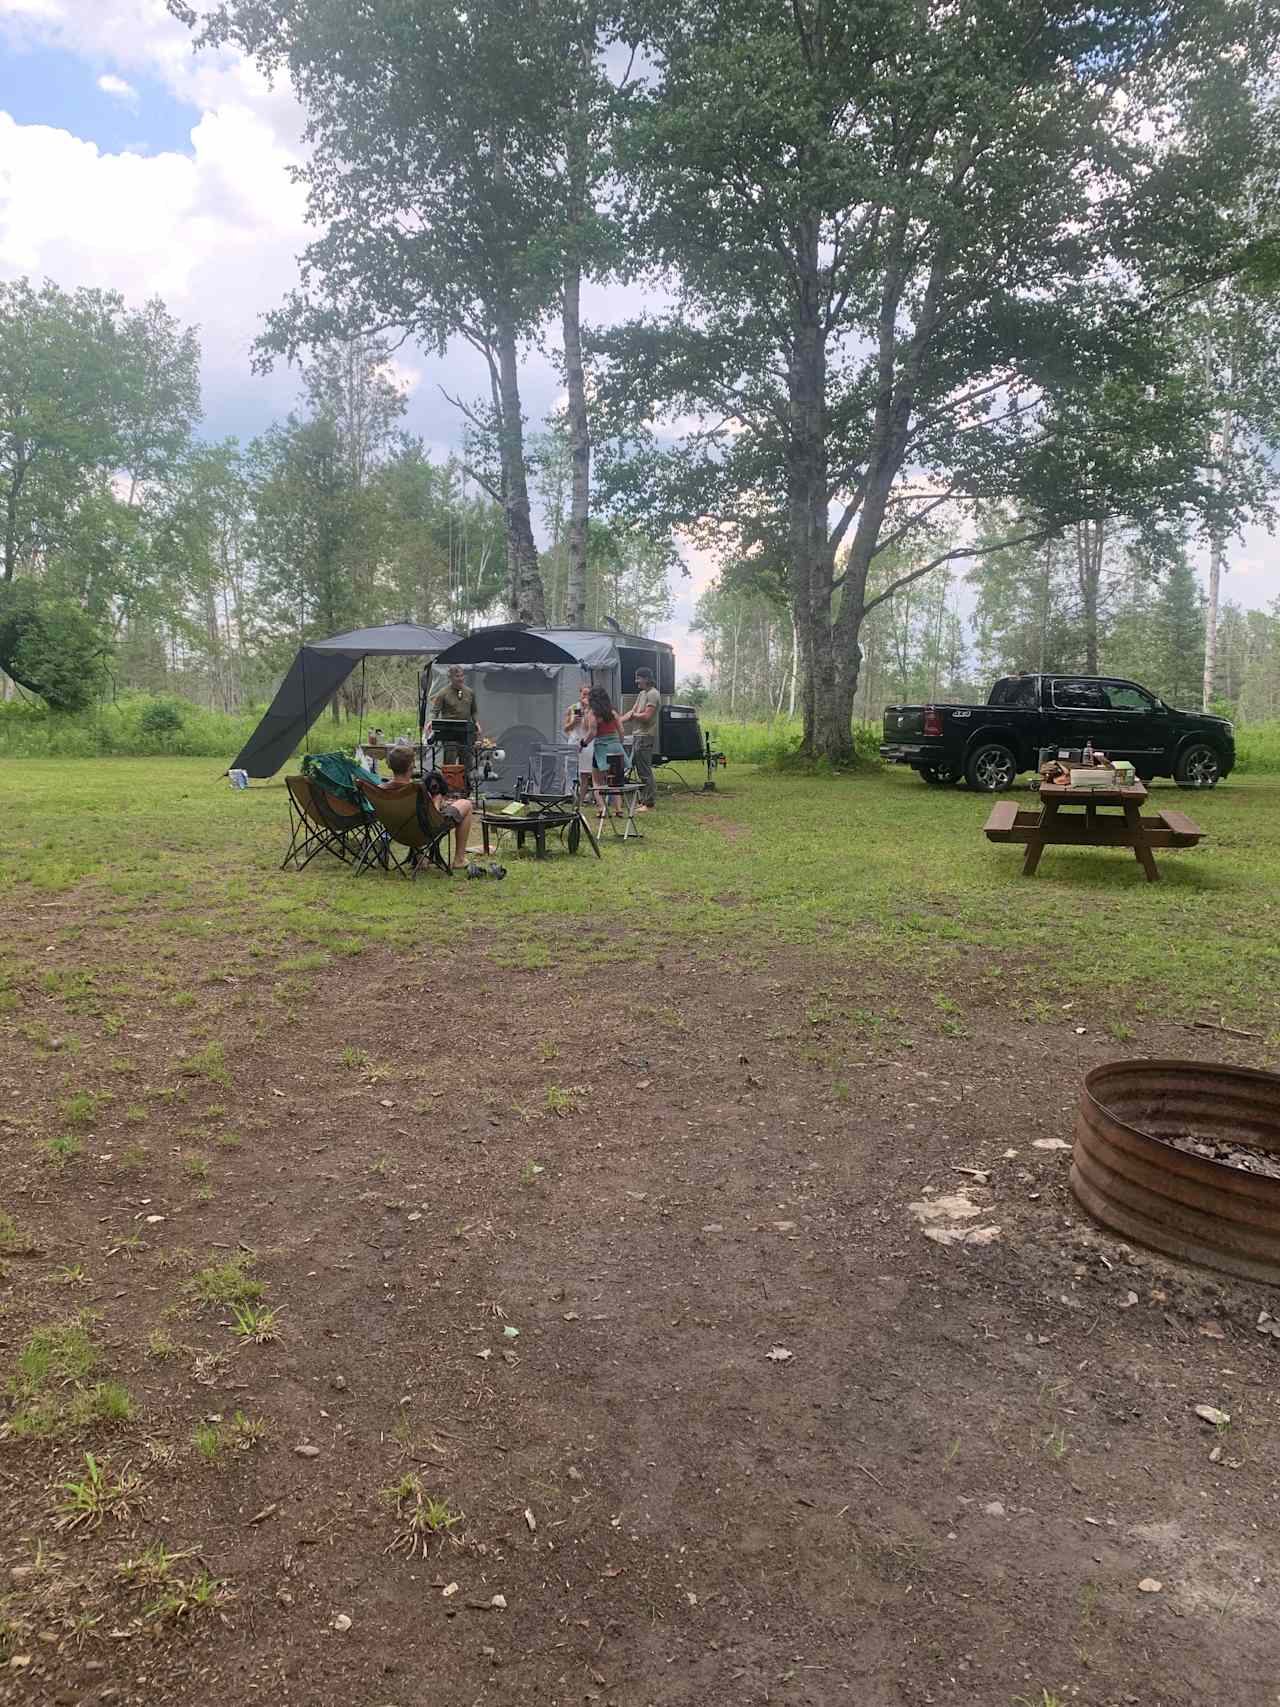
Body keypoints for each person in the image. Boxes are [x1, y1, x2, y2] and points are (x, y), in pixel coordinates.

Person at [382, 745, 474, 871]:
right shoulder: (416, 790)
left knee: (414, 819)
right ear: (411, 766)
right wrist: (437, 801)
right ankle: (459, 859)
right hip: (423, 832)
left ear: (390, 765)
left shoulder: (380, 789)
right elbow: (433, 816)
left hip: (396, 832)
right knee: (466, 804)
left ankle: (421, 858)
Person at [620, 667, 661, 811]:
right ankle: (644, 800)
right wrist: (618, 721)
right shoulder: (642, 694)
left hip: (646, 735)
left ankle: (649, 803)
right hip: (637, 735)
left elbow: (646, 716)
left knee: (644, 770)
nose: (636, 681)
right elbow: (633, 712)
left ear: (646, 679)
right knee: (639, 769)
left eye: (638, 678)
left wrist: (634, 716)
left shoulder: (653, 694)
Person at [587, 685, 627, 814]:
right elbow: (621, 730)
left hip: (601, 748)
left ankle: (601, 808)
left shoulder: (593, 713)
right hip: (615, 747)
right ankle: (619, 809)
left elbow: (592, 733)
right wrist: (618, 743)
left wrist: (583, 743)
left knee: (596, 780)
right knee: (615, 780)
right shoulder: (613, 712)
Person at [428, 665, 481, 762]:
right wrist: (431, 721)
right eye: (457, 676)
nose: (460, 679)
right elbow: (435, 711)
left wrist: (477, 723)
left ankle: (466, 777)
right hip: (449, 733)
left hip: (466, 733)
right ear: (450, 678)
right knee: (450, 762)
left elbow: (474, 711)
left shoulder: (470, 692)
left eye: (462, 676)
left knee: (467, 762)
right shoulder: (443, 693)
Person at [563, 682, 595, 801]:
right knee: (570, 769)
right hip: (573, 741)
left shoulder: (593, 710)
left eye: (588, 694)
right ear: (580, 693)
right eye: (584, 694)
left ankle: (581, 799)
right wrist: (573, 722)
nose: (585, 697)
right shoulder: (572, 708)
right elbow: (566, 729)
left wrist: (587, 711)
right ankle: (569, 795)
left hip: (587, 743)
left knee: (584, 772)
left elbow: (590, 729)